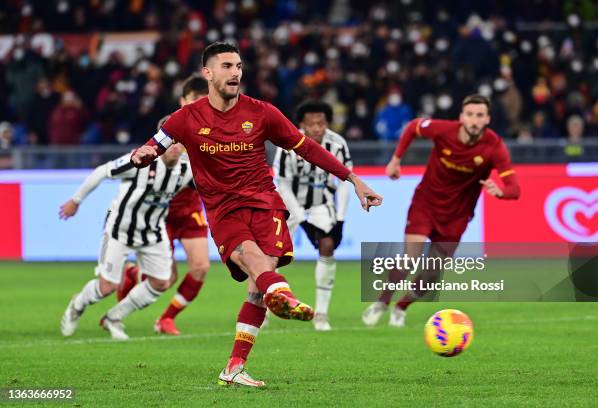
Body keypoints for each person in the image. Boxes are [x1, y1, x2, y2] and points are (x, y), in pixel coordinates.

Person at [130, 42, 382, 387]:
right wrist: (142, 154)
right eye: (227, 66)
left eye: (238, 66)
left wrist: (353, 179)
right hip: (223, 209)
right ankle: (283, 294)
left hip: (266, 204)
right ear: (208, 73)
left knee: (256, 287)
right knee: (253, 259)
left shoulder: (262, 112)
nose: (235, 72)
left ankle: (235, 365)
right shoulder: (186, 118)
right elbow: (154, 143)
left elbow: (307, 147)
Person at [362, 94, 520, 327]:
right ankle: (382, 302)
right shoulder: (443, 130)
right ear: (461, 117)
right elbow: (413, 127)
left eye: (480, 115)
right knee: (410, 259)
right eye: (470, 115)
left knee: (432, 274)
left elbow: (515, 189)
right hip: (426, 204)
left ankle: (401, 306)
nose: (474, 120)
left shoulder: (494, 146)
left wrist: (501, 192)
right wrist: (396, 159)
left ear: (487, 119)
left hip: (457, 215)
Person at [59, 142, 193, 340]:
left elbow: (214, 185)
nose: (175, 147)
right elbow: (102, 171)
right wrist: (76, 200)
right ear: (162, 143)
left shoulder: (186, 169)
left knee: (161, 282)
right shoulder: (140, 159)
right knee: (107, 286)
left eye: (180, 142)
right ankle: (77, 305)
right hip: (119, 230)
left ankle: (113, 318)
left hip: (153, 232)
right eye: (171, 142)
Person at [116, 75, 210, 336]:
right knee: (164, 279)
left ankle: (166, 319)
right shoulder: (171, 127)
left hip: (190, 207)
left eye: (205, 101)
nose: (200, 106)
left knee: (201, 267)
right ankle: (132, 274)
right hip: (160, 212)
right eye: (194, 101)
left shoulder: (216, 128)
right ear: (183, 101)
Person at [273, 100, 352, 331]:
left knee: (327, 245)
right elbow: (283, 184)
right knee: (271, 255)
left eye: (321, 123)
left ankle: (322, 314)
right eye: (312, 124)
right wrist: (301, 219)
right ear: (302, 125)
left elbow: (346, 181)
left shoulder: (337, 143)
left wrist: (340, 218)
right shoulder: (287, 145)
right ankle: (264, 305)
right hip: (288, 205)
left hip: (321, 203)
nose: (317, 128)